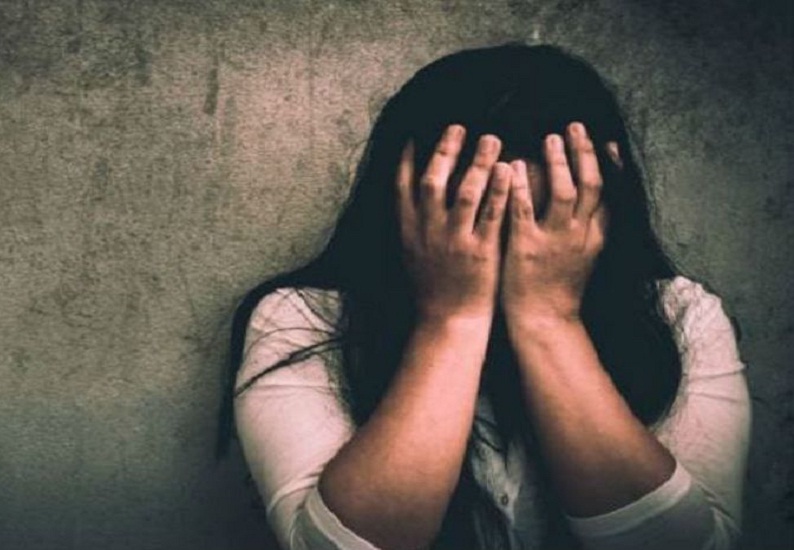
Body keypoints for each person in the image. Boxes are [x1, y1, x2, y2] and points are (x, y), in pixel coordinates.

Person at [225, 43, 751, 550]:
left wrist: (549, 319)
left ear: (604, 200)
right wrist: (451, 319)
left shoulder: (680, 315)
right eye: (473, 213)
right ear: (405, 200)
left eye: (548, 214)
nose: (513, 246)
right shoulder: (303, 319)